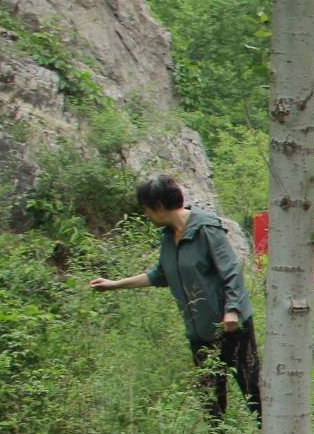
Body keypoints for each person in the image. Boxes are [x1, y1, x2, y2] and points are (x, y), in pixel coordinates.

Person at [89, 175, 261, 420]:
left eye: (147, 209)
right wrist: (114, 285)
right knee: (210, 397)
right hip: (200, 331)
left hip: (230, 326)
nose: (147, 215)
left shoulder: (205, 229)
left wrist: (232, 309)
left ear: (159, 206)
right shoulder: (169, 237)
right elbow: (160, 274)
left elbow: (231, 270)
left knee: (250, 386)